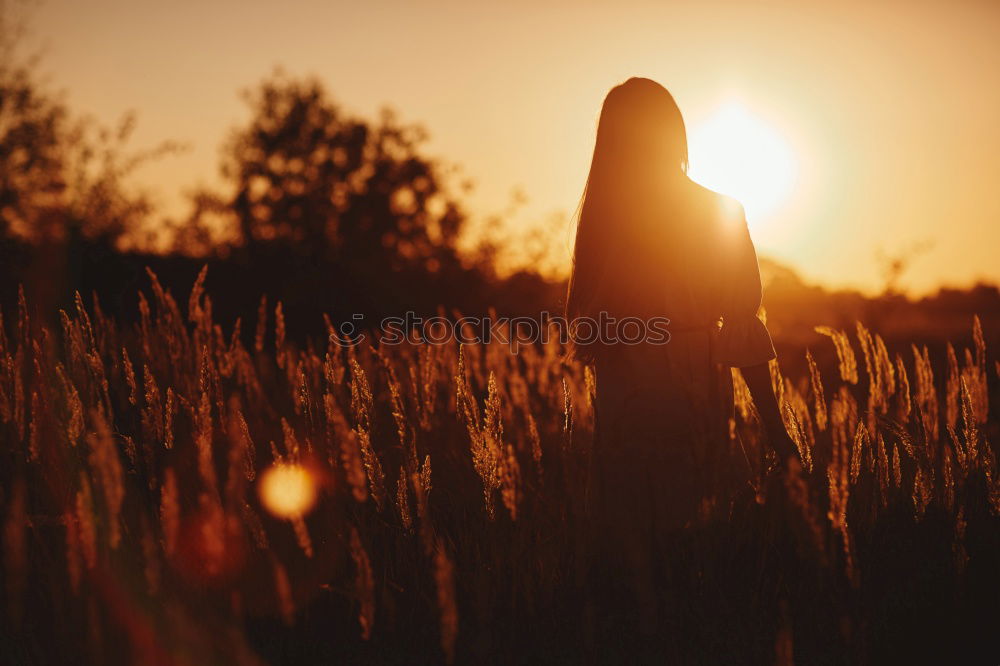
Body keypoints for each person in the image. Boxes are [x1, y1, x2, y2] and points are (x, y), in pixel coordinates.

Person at [565, 77, 798, 649]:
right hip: (687, 381)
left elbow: (583, 331)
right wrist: (774, 427)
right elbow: (743, 327)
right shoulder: (716, 209)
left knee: (640, 542)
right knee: (688, 534)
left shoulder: (607, 219)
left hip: (633, 390)